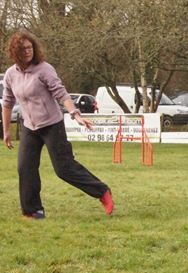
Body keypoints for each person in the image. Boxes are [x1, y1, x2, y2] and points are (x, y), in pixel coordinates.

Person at [1, 30, 114, 219]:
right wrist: (5, 131)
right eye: (23, 49)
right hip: (29, 126)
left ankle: (102, 191)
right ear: (15, 52)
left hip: (51, 124)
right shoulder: (11, 75)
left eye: (30, 47)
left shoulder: (44, 69)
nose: (28, 51)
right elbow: (7, 102)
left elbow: (61, 93)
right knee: (25, 167)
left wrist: (75, 113)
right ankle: (33, 211)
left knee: (64, 169)